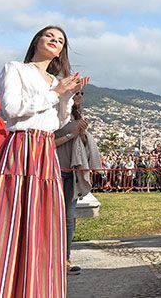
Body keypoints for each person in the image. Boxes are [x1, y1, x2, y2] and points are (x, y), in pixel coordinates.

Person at [0, 26, 88, 298]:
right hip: (21, 145)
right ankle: (1, 285)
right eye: (50, 36)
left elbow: (58, 122)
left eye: (60, 40)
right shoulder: (15, 68)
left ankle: (35, 287)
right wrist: (55, 93)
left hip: (44, 150)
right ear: (37, 40)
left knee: (43, 219)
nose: (55, 41)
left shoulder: (55, 80)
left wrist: (66, 95)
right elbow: (12, 109)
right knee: (11, 215)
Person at [55, 88, 100, 276]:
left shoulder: (78, 115)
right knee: (52, 216)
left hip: (72, 173)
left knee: (69, 218)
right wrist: (71, 135)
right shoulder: (55, 114)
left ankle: (65, 258)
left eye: (81, 93)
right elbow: (47, 142)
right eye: (75, 92)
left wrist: (81, 135)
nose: (79, 96)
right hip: (55, 170)